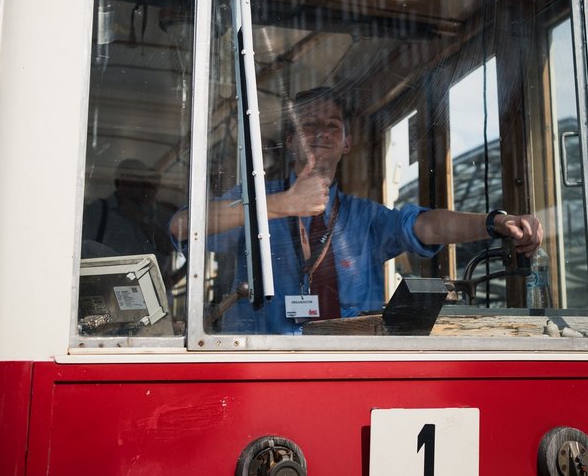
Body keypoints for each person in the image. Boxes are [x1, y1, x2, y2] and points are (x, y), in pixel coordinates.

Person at [170, 87, 542, 335]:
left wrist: (496, 222)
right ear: (290, 141)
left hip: (350, 360)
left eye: (332, 126)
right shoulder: (255, 199)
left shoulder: (363, 217)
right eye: (308, 125)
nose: (321, 132)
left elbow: (426, 226)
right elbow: (182, 226)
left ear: (347, 143)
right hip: (264, 361)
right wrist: (282, 205)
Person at [82, 158, 176, 280]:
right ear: (121, 180)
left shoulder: (153, 212)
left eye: (141, 182)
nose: (139, 186)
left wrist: (142, 219)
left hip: (152, 283)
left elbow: (168, 248)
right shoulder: (99, 210)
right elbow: (84, 249)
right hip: (108, 283)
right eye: (135, 180)